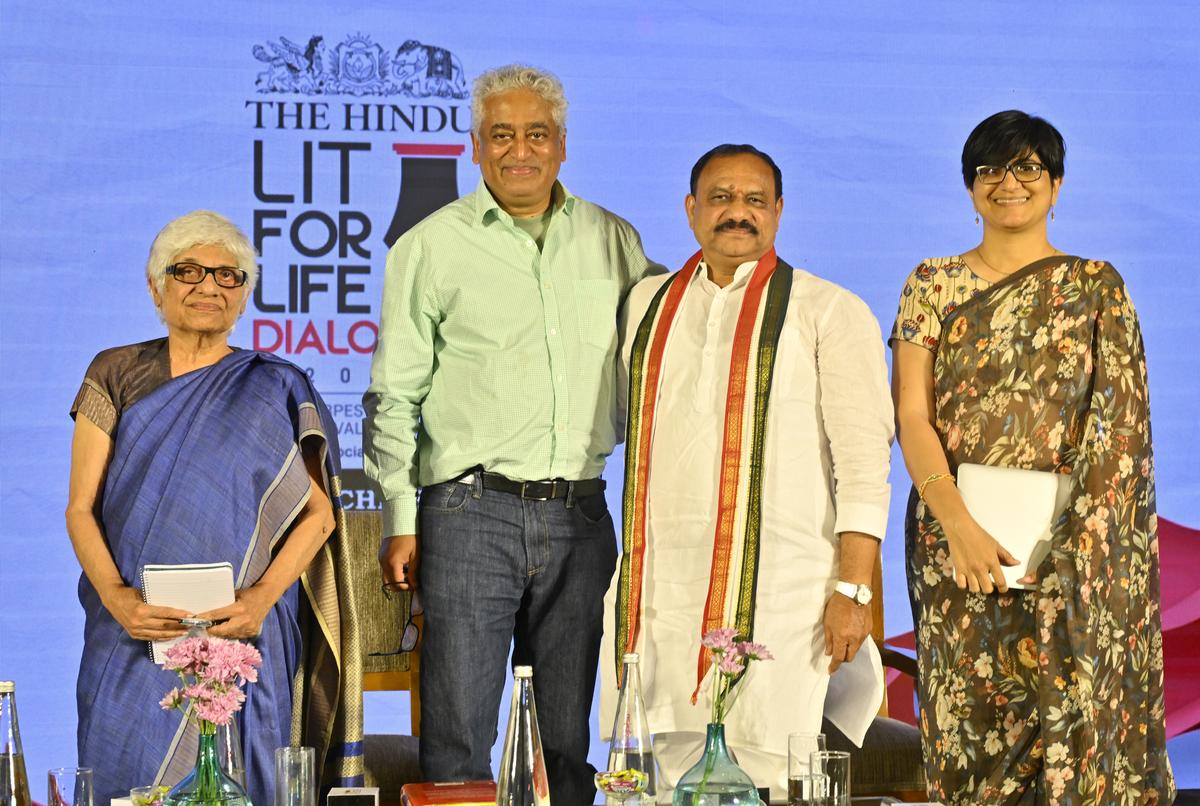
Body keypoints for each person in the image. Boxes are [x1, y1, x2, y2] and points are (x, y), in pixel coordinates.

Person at [362, 64, 654, 803]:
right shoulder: (429, 247)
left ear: (562, 145)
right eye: (501, 134)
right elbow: (394, 396)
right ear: (475, 146)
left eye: (536, 133)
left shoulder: (613, 239)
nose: (518, 149)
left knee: (565, 739)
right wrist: (402, 517)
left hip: (583, 514)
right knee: (459, 734)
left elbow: (675, 341)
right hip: (467, 514)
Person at [891, 110, 1175, 804]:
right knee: (971, 726)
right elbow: (911, 416)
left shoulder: (1097, 286)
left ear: (1056, 184)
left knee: (1071, 720)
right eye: (989, 169)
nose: (1007, 183)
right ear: (969, 188)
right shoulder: (932, 283)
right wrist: (956, 525)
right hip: (957, 545)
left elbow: (1120, 430)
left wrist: (1077, 544)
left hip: (1077, 551)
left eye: (1027, 168)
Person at [601, 144, 894, 799]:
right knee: (660, 768)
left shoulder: (829, 309)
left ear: (780, 212)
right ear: (690, 210)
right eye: (721, 198)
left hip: (786, 595)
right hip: (661, 592)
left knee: (772, 767)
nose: (738, 213)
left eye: (755, 200)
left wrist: (855, 593)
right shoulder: (646, 305)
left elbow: (865, 464)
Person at [66, 211, 363, 806]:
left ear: (245, 292)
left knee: (242, 784)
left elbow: (320, 517)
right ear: (157, 287)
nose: (210, 287)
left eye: (229, 276)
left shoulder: (277, 385)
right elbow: (80, 509)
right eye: (189, 272)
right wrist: (118, 600)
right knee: (128, 777)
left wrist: (259, 601)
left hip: (242, 631)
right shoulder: (115, 372)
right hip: (134, 628)